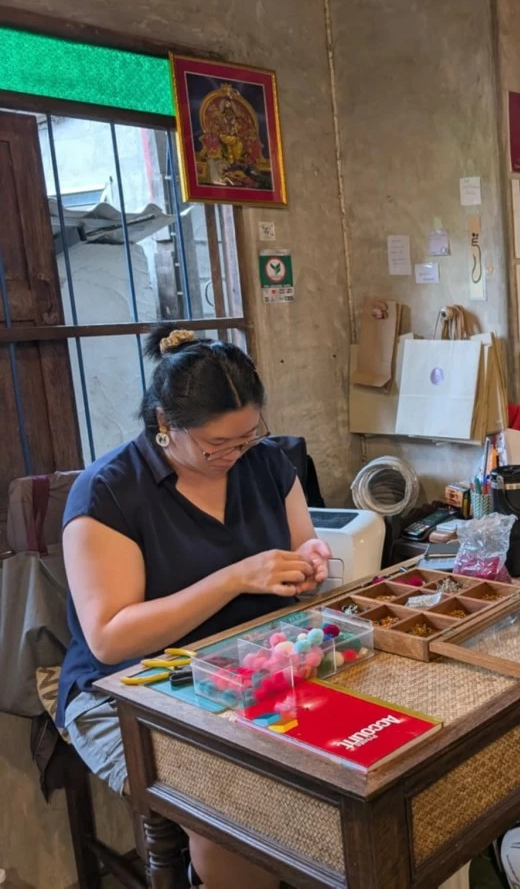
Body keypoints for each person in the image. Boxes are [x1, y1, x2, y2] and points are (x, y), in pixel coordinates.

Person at [58, 325, 331, 889]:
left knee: (348, 766)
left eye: (247, 437)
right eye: (216, 445)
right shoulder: (109, 492)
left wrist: (309, 561)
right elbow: (110, 638)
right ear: (165, 423)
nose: (234, 455)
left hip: (249, 666)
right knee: (229, 809)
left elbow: (300, 547)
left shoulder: (266, 464)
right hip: (131, 689)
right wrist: (234, 578)